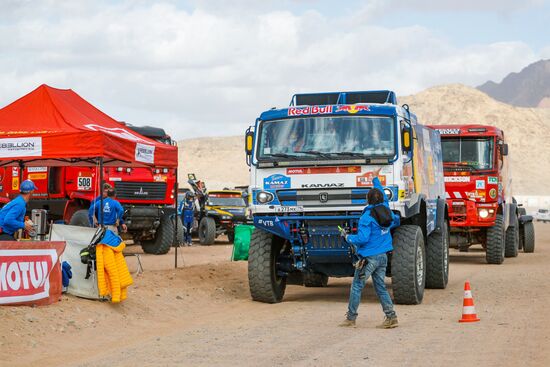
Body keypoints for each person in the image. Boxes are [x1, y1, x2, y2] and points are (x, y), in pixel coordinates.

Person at [339, 170, 400, 329]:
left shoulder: (366, 217)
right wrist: (375, 178)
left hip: (369, 258)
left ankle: (351, 318)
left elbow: (363, 239)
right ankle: (391, 317)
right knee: (380, 287)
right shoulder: (386, 208)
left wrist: (348, 237)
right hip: (383, 256)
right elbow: (383, 195)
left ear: (368, 200)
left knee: (357, 286)